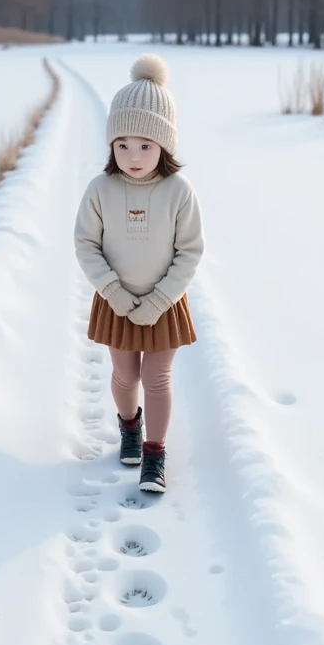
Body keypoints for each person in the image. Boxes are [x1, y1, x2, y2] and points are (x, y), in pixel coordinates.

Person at [74, 54, 204, 493]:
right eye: (123, 144)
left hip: (164, 304)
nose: (133, 155)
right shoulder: (101, 189)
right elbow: (85, 244)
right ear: (111, 144)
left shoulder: (178, 192)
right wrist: (112, 290)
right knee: (126, 376)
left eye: (146, 145)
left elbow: (189, 251)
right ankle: (130, 426)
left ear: (164, 145)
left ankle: (154, 453)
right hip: (117, 301)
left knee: (157, 378)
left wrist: (159, 299)